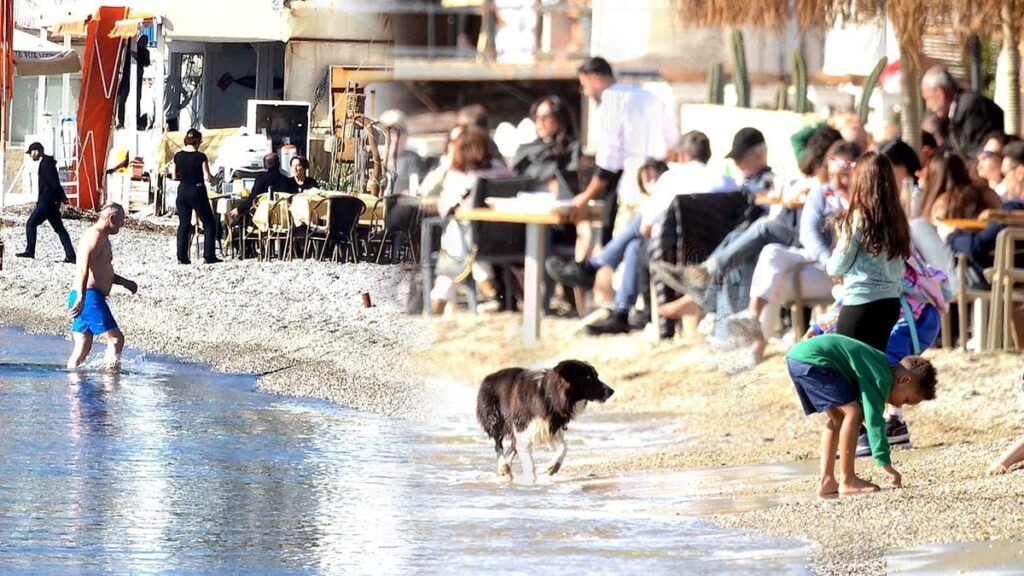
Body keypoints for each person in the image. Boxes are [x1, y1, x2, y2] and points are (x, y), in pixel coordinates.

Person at [726, 141, 862, 363]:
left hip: (855, 278)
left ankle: (756, 348)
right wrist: (830, 262)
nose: (837, 182)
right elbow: (808, 235)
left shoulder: (867, 199)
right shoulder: (821, 194)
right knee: (771, 253)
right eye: (832, 174)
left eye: (844, 175)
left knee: (774, 279)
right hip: (825, 268)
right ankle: (751, 317)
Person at [786, 334, 937, 497]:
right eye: (906, 400)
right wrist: (886, 464)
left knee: (838, 419)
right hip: (814, 361)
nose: (899, 405)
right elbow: (874, 422)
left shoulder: (878, 366)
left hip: (799, 358)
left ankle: (827, 481)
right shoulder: (881, 377)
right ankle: (848, 480)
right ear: (904, 380)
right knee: (854, 412)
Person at [574, 56, 676, 249]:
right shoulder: (649, 96)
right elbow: (672, 142)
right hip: (657, 182)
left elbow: (608, 161)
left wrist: (586, 196)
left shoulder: (611, 102)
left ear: (595, 79)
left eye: (584, 86)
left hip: (630, 185)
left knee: (619, 247)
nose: (585, 92)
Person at [828, 152, 911, 352]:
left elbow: (839, 263)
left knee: (846, 363)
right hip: (890, 303)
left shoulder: (858, 216)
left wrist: (829, 266)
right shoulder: (898, 219)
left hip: (861, 302)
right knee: (874, 363)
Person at [429, 125, 511, 314]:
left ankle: (437, 304)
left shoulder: (456, 176)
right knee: (469, 247)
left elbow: (444, 209)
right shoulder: (501, 171)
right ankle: (488, 287)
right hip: (502, 238)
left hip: (471, 238)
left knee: (459, 234)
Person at [66, 203, 138, 370]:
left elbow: (102, 270)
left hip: (86, 296)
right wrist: (81, 297)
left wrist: (124, 282)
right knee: (116, 340)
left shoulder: (103, 237)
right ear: (111, 219)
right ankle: (109, 381)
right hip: (88, 297)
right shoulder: (94, 236)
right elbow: (82, 267)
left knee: (82, 349)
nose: (122, 224)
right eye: (121, 221)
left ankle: (73, 383)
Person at [921, 66, 1004, 158]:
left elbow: (972, 154)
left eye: (928, 99)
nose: (928, 106)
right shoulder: (953, 113)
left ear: (940, 93)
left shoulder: (970, 107)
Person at [16, 143, 76, 262]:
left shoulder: (46, 164)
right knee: (59, 229)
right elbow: (56, 183)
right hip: (51, 203)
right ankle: (71, 255)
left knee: (31, 224)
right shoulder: (47, 163)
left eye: (31, 153)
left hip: (47, 202)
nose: (31, 156)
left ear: (37, 151)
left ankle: (30, 251)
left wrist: (52, 200)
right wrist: (61, 198)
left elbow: (53, 184)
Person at [511, 95, 581, 191]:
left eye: (546, 117)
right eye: (537, 117)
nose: (540, 122)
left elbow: (571, 179)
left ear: (560, 119)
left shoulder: (572, 148)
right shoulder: (525, 150)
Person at [172, 129, 220, 265]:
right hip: (197, 189)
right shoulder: (201, 157)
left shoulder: (178, 156)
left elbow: (174, 176)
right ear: (198, 141)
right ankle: (209, 255)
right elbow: (207, 177)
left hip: (182, 190)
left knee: (184, 224)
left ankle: (182, 257)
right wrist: (216, 180)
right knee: (209, 222)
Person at [230, 153, 298, 218]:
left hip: (264, 218)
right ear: (279, 165)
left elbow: (252, 199)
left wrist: (239, 210)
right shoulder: (287, 181)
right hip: (283, 218)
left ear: (264, 166)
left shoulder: (261, 179)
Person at [975, 131, 1015, 199]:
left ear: (1004, 160)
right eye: (982, 151)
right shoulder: (977, 192)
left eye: (988, 153)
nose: (980, 157)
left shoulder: (1010, 196)